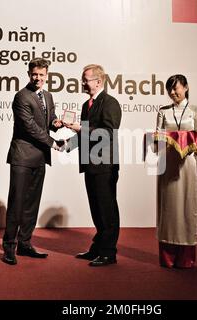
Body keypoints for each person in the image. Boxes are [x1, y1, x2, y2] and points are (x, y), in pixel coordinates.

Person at [2, 58, 64, 265]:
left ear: (47, 75)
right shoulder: (21, 97)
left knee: (31, 204)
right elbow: (29, 126)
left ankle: (25, 244)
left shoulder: (48, 95)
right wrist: (52, 142)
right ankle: (9, 247)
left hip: (39, 158)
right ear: (29, 74)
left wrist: (56, 122)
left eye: (41, 74)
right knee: (17, 204)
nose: (37, 78)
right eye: (34, 74)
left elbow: (48, 120)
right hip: (22, 156)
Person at [65, 64, 122, 267]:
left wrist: (81, 128)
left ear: (98, 81)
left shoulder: (110, 103)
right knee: (96, 209)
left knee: (107, 210)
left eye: (86, 79)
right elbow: (83, 135)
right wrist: (66, 144)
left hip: (105, 165)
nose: (82, 82)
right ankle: (98, 248)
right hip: (90, 165)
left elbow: (108, 132)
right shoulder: (85, 105)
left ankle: (108, 253)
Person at [155, 74, 197, 268]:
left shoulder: (196, 110)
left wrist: (185, 143)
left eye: (176, 88)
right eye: (169, 89)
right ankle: (167, 256)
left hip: (187, 163)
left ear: (186, 87)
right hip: (167, 163)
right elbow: (158, 136)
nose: (172, 92)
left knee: (187, 206)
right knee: (167, 207)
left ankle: (186, 257)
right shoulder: (163, 111)